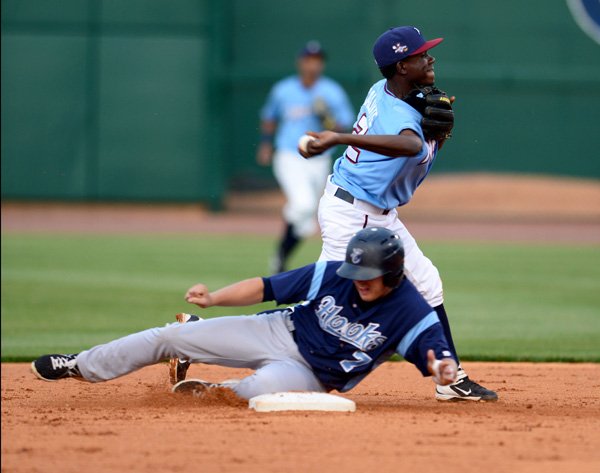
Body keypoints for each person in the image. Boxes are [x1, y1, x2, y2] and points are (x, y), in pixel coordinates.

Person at [297, 26, 498, 402]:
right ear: (402, 65)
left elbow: (405, 136)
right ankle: (202, 340)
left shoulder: (386, 89)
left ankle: (448, 378)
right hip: (353, 215)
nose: (430, 57)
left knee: (427, 283)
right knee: (323, 302)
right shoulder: (396, 111)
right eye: (422, 54)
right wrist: (340, 138)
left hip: (374, 213)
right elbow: (406, 144)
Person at [31, 227, 459, 400]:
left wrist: (442, 370)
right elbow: (265, 288)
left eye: (369, 274)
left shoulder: (410, 310)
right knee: (170, 337)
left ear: (394, 272)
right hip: (277, 331)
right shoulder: (333, 274)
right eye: (356, 272)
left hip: (313, 375)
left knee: (255, 394)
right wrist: (214, 297)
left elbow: (435, 352)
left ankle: (215, 390)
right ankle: (82, 365)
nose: (359, 281)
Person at [257, 41, 355, 274]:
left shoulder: (331, 91)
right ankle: (283, 253)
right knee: (303, 204)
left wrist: (327, 118)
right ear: (301, 62)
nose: (313, 64)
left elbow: (345, 125)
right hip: (289, 155)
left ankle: (280, 257)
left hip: (319, 159)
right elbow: (269, 117)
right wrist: (265, 144)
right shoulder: (284, 89)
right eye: (309, 59)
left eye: (318, 60)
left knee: (307, 223)